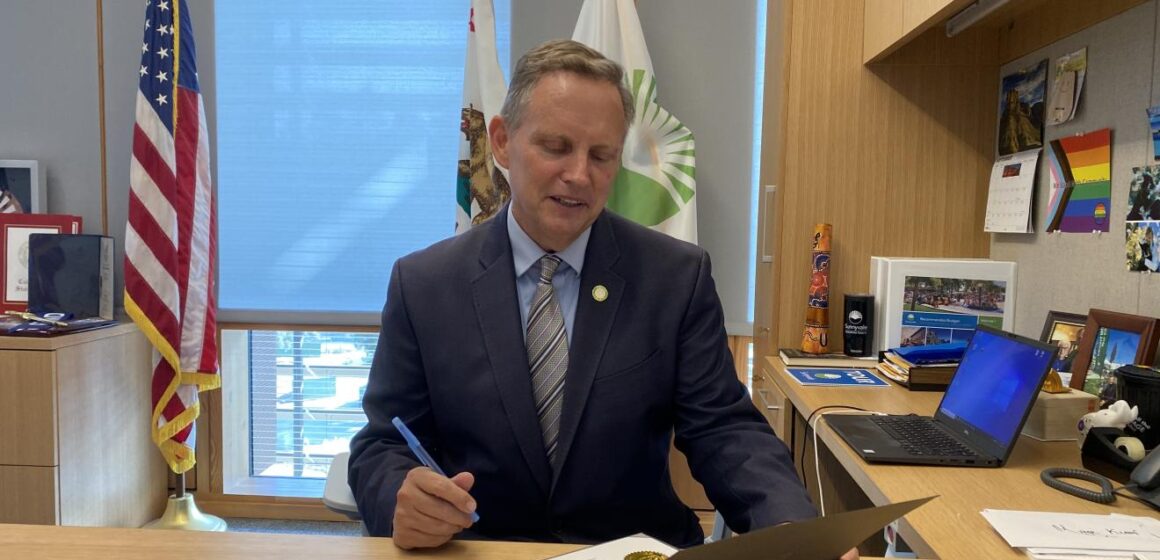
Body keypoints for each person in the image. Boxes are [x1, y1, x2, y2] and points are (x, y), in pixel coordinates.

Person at [348, 39, 847, 557]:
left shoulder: (675, 278)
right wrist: (397, 497)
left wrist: (789, 525)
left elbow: (723, 430)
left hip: (632, 549)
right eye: (556, 147)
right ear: (501, 141)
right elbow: (383, 442)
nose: (579, 175)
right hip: (483, 549)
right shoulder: (424, 283)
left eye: (601, 155)